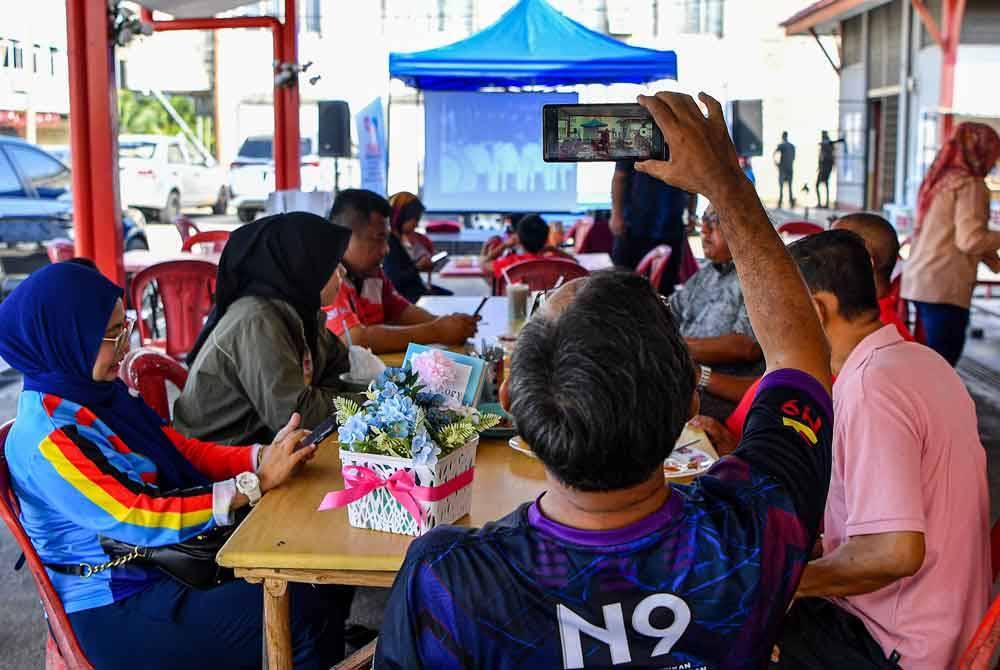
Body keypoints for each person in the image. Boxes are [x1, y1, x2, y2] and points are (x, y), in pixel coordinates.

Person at [375, 90, 834, 669]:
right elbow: (798, 352)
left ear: (511, 397)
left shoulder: (448, 579)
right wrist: (726, 184)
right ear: (691, 398)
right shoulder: (753, 530)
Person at [0, 263, 352, 669]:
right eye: (110, 335)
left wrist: (263, 457)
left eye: (125, 328)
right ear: (65, 338)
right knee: (301, 611)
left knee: (319, 574)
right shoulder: (49, 436)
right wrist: (252, 484)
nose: (124, 346)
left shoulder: (93, 395)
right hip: (118, 605)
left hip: (166, 565)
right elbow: (139, 516)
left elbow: (182, 451)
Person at [772, 230, 989, 669]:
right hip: (938, 623)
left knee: (725, 632)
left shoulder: (874, 388)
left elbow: (894, 552)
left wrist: (779, 584)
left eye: (774, 310)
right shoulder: (920, 360)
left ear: (815, 309)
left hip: (898, 646)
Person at [173, 212, 351, 445]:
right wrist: (370, 404)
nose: (343, 272)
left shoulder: (300, 310)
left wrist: (375, 396)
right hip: (220, 457)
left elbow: (336, 364)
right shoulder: (258, 320)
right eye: (332, 264)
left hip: (260, 441)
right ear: (303, 268)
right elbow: (298, 415)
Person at [323, 189, 478, 354]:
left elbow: (402, 312)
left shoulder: (372, 274)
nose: (386, 250)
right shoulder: (328, 276)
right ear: (346, 238)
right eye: (378, 239)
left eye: (387, 239)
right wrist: (437, 331)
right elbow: (354, 339)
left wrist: (449, 324)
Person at [901, 122, 1000, 365]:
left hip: (920, 280)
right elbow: (971, 240)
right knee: (942, 366)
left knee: (930, 363)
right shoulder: (970, 185)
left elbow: (953, 233)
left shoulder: (941, 180)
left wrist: (995, 263)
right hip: (944, 286)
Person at [670, 204, 763, 418]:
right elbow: (671, 309)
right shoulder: (710, 271)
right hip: (684, 375)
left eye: (715, 222)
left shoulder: (756, 279)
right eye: (704, 220)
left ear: (744, 228)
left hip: (717, 393)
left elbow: (746, 346)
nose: (703, 230)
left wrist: (674, 349)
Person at [610, 159, 697, 295]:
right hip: (633, 224)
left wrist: (692, 214)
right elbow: (620, 177)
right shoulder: (633, 140)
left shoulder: (684, 144)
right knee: (623, 285)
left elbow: (692, 182)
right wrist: (616, 214)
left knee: (666, 286)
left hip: (671, 224)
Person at [831, 212, 913, 341]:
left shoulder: (877, 334)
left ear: (865, 259)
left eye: (833, 249)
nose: (824, 257)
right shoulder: (862, 320)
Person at [383, 191, 452, 303]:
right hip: (406, 297)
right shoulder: (389, 243)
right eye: (415, 220)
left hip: (414, 290)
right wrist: (418, 267)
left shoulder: (398, 239)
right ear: (403, 216)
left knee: (448, 296)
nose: (417, 224)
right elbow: (394, 280)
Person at [480, 214, 566, 279]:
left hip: (518, 303)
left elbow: (483, 264)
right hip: (547, 302)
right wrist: (552, 249)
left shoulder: (512, 263)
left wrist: (504, 245)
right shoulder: (557, 262)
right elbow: (576, 266)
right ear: (547, 237)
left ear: (519, 239)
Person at [816, 131, 844, 209]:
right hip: (823, 168)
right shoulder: (826, 144)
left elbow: (829, 157)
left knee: (824, 184)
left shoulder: (828, 145)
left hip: (826, 168)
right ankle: (822, 203)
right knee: (820, 185)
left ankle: (826, 203)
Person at [774, 131, 796, 209]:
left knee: (781, 187)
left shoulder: (782, 145)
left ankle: (780, 202)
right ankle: (791, 202)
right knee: (790, 187)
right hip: (790, 168)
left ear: (783, 136)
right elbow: (793, 158)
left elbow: (774, 154)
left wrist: (777, 164)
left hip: (783, 168)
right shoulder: (792, 146)